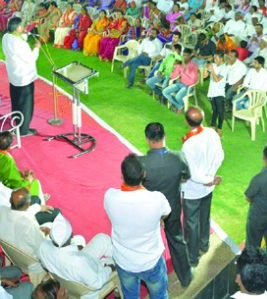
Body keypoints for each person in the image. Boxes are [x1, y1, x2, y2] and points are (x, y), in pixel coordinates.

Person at [104, 154, 170, 299]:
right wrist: (158, 219)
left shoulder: (109, 196)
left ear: (122, 175)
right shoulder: (156, 199)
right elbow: (166, 212)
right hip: (151, 262)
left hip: (124, 262)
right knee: (159, 295)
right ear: (144, 174)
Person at [138, 122, 192, 287]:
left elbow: (136, 186)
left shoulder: (141, 163)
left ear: (147, 139)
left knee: (146, 244)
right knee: (177, 240)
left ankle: (150, 280)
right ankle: (185, 277)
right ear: (165, 136)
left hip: (150, 210)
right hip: (172, 207)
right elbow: (186, 176)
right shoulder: (178, 157)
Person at [181, 107, 224, 267]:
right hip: (208, 187)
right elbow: (220, 156)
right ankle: (204, 245)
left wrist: (208, 179)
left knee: (192, 224)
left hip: (193, 190)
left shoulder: (189, 144)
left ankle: (192, 257)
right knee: (205, 217)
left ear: (186, 122)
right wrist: (211, 175)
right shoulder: (212, 133)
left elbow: (192, 173)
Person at [38, 214, 115, 298]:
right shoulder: (78, 262)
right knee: (118, 260)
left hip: (73, 277)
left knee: (102, 239)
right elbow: (97, 284)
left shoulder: (42, 248)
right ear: (71, 235)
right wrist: (109, 268)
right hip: (90, 287)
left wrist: (74, 249)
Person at [0, 156, 58, 225]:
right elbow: (19, 214)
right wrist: (39, 208)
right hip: (15, 221)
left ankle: (40, 201)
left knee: (36, 198)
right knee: (56, 213)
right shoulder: (2, 198)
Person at [2, 17, 40, 136]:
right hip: (24, 77)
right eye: (22, 26)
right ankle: (23, 130)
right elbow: (31, 58)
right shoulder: (21, 44)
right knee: (26, 105)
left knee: (16, 103)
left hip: (14, 76)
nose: (24, 27)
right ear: (17, 28)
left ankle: (17, 124)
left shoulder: (6, 37)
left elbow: (20, 39)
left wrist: (25, 33)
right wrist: (36, 48)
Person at [0, 131, 45, 199]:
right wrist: (28, 180)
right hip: (4, 186)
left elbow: (6, 172)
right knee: (35, 182)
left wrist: (18, 172)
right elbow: (17, 183)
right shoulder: (7, 161)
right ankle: (38, 200)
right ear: (9, 147)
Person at [162, 48, 198, 112]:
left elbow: (194, 80)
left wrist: (185, 69)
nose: (185, 57)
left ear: (190, 56)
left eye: (187, 55)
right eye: (184, 55)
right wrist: (174, 68)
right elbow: (173, 76)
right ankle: (179, 106)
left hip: (188, 86)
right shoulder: (181, 64)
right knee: (165, 92)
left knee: (178, 97)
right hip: (180, 83)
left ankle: (178, 106)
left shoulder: (193, 66)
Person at [205, 51, 228, 134]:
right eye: (214, 58)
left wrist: (212, 70)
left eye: (216, 58)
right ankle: (213, 125)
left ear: (221, 58)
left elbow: (217, 79)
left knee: (220, 111)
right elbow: (205, 76)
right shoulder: (213, 65)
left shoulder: (224, 68)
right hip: (211, 92)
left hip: (219, 92)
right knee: (215, 110)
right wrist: (206, 68)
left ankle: (220, 128)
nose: (214, 60)